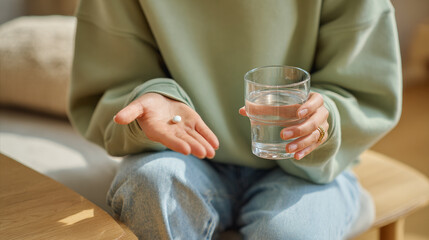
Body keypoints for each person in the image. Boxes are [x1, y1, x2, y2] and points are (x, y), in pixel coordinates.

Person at [68, 0, 402, 239]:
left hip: (304, 168)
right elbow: (108, 82)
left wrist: (323, 120)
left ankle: (343, 198)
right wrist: (151, 98)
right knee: (151, 184)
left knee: (288, 232)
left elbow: (365, 86)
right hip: (182, 155)